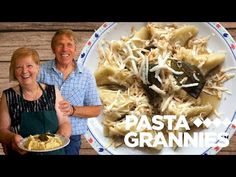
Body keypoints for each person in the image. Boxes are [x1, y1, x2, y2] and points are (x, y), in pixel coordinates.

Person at [38, 29, 102, 155]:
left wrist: (73, 110)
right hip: (43, 135)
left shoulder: (86, 75)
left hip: (72, 139)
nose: (64, 49)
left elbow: (96, 110)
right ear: (53, 49)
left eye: (69, 45)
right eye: (60, 44)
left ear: (75, 49)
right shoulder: (41, 71)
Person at [0, 47, 71, 155]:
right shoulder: (8, 96)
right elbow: (2, 130)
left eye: (29, 66)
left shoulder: (53, 91)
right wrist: (12, 138)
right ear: (14, 71)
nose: (24, 71)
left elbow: (65, 122)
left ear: (38, 67)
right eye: (19, 67)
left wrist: (61, 137)